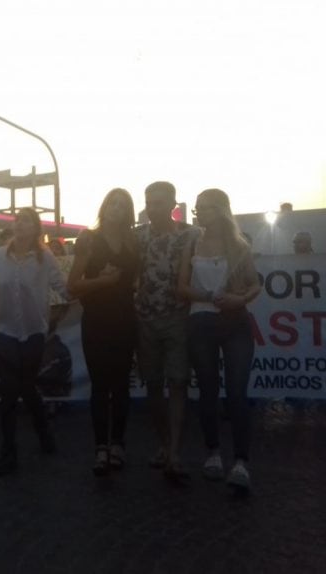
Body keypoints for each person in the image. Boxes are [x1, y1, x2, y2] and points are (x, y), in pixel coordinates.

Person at [0, 207, 70, 476]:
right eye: (18, 220)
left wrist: (89, 290)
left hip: (33, 332)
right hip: (5, 330)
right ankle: (8, 451)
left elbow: (62, 287)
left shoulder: (45, 258)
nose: (20, 225)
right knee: (8, 392)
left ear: (36, 229)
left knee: (26, 387)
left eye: (27, 221)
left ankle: (42, 431)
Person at [177, 188, 261, 491]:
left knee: (237, 392)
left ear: (222, 210)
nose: (200, 213)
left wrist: (240, 299)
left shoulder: (239, 246)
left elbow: (255, 284)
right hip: (201, 321)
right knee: (208, 390)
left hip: (235, 321)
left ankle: (241, 461)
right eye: (198, 208)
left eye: (206, 208)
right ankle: (212, 452)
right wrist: (208, 296)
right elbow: (181, 287)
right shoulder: (192, 242)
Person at [68, 188, 138, 475]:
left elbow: (137, 281)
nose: (116, 208)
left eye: (122, 205)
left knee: (121, 385)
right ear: (104, 206)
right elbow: (72, 285)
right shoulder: (89, 239)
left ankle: (118, 444)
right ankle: (100, 447)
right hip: (96, 320)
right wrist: (102, 281)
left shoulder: (135, 242)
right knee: (100, 386)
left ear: (128, 212)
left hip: (125, 319)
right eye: (113, 203)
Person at [134, 181, 200, 480]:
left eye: (159, 202)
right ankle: (163, 442)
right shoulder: (137, 236)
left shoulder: (192, 235)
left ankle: (173, 451)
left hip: (179, 319)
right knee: (152, 386)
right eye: (149, 202)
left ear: (173, 204)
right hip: (144, 320)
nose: (152, 207)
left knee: (177, 384)